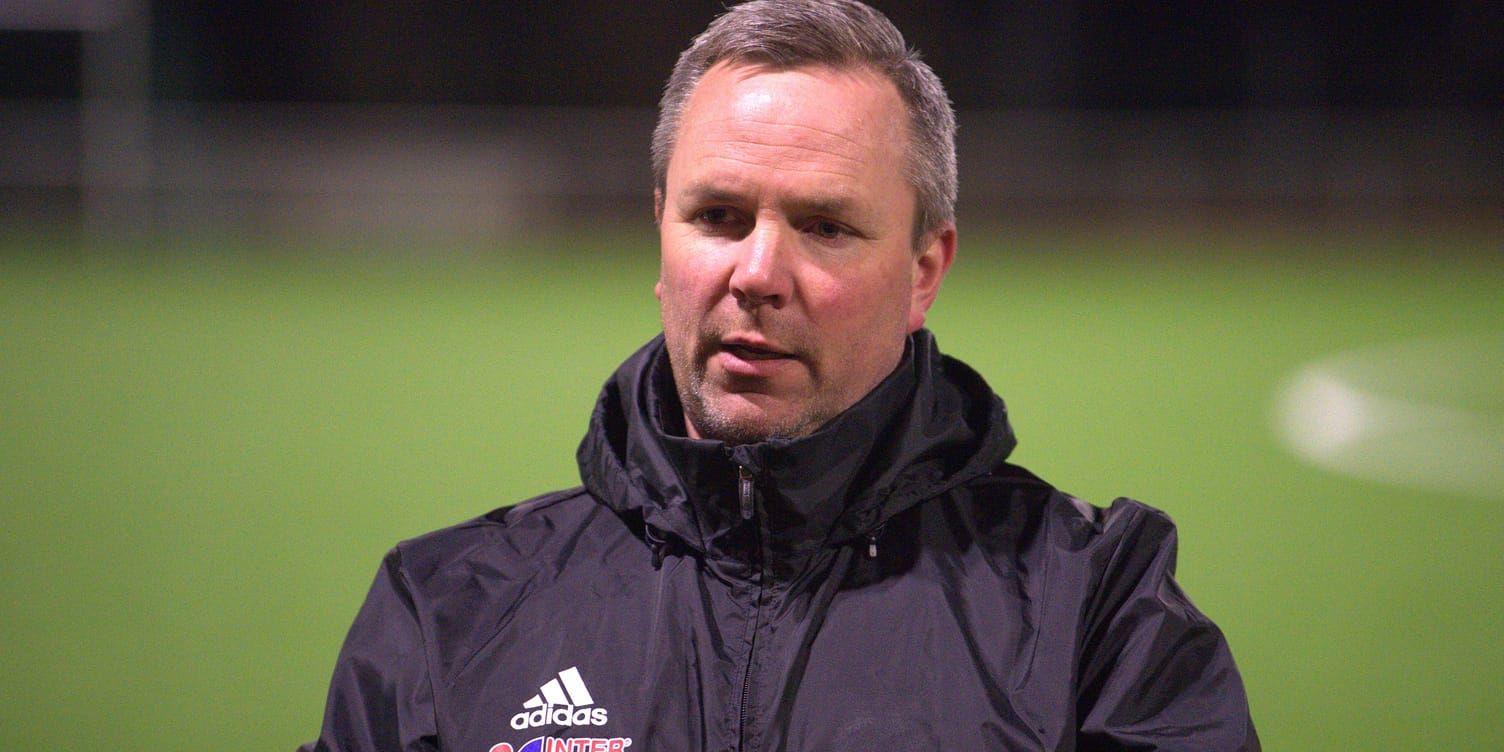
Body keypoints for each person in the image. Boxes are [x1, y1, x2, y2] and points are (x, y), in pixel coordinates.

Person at [302, 2, 1258, 750]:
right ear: (661, 233)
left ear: (924, 271)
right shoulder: (447, 612)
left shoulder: (1095, 614)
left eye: (825, 227)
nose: (757, 273)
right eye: (717, 217)